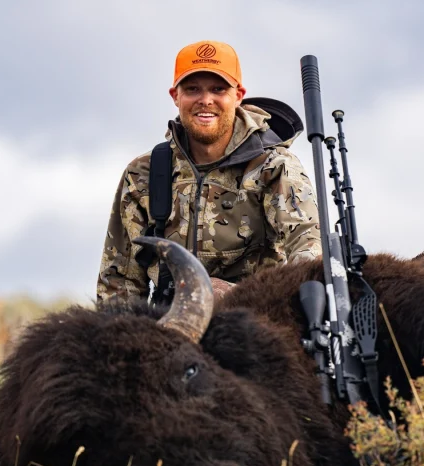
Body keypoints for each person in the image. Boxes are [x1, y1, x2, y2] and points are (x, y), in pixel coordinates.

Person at [97, 40, 322, 304]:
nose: (206, 100)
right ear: (175, 96)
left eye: (218, 89)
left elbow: (307, 248)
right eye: (193, 89)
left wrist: (233, 297)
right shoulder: (142, 174)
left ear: (238, 95)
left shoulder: (274, 166)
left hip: (255, 320)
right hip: (169, 324)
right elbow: (119, 282)